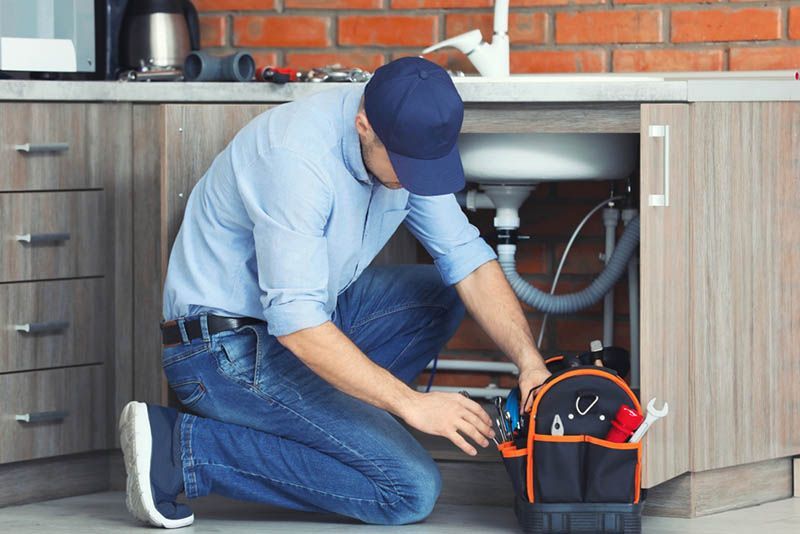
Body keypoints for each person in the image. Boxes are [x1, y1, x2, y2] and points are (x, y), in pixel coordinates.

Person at [118, 57, 551, 529]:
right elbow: (299, 325)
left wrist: (531, 364)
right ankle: (182, 448)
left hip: (302, 324)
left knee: (438, 293)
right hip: (221, 351)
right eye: (406, 167)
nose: (413, 181)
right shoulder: (296, 159)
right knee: (409, 491)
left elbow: (466, 258)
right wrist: (410, 403)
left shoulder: (405, 142)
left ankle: (340, 429)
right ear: (363, 125)